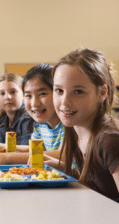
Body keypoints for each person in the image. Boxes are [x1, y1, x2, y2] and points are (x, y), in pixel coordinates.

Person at [46, 48, 119, 202]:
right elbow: (101, 186)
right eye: (59, 90)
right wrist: (68, 172)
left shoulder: (109, 141)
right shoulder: (75, 128)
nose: (65, 101)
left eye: (78, 91)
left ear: (102, 93)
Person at [0, 64, 63, 166]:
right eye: (28, 95)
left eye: (42, 94)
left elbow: (62, 155)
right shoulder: (40, 125)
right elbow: (32, 149)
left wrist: (6, 157)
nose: (34, 103)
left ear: (58, 92)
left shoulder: (69, 122)